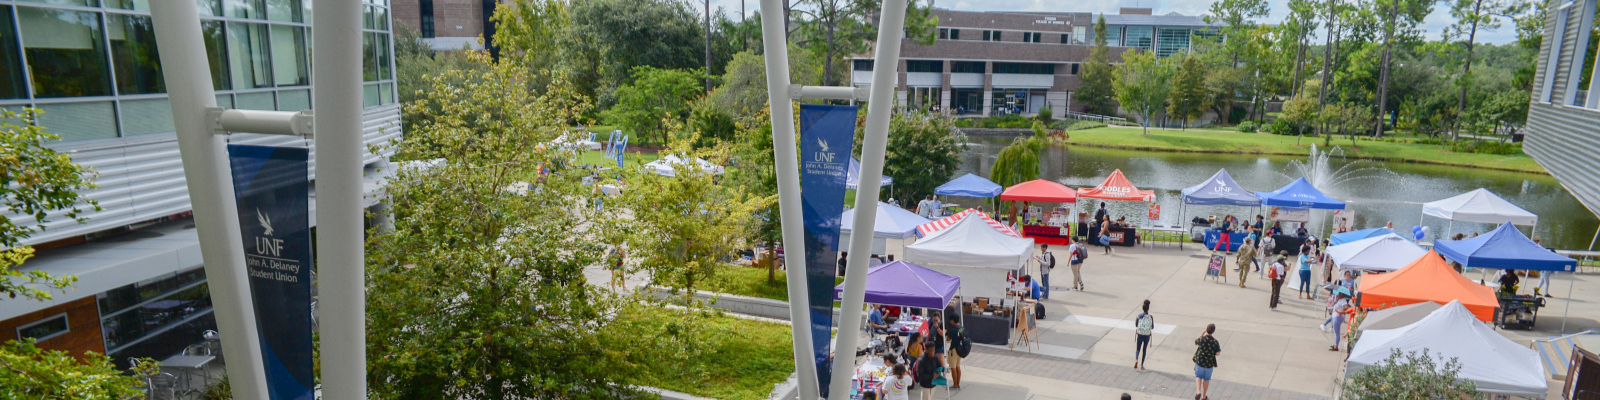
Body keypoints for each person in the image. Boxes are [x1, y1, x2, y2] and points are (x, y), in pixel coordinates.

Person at [1193, 324, 1222, 400]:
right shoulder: (1215, 342)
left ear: (1206, 329)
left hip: (1200, 362)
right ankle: (1204, 396)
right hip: (1209, 364)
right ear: (1213, 331)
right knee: (1206, 379)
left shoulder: (1202, 339)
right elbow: (1218, 353)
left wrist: (1202, 334)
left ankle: (1198, 391)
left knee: (1198, 376)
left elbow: (1196, 342)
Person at [945, 309, 965, 390]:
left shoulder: (953, 330)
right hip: (960, 349)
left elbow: (948, 339)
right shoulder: (962, 328)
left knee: (953, 368)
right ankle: (958, 383)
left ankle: (955, 384)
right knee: (958, 367)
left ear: (953, 321)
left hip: (953, 350)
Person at [1134, 300, 1155, 370]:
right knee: (1144, 349)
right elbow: (1152, 327)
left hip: (1140, 334)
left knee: (1138, 348)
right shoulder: (1151, 317)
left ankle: (1136, 359)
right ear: (1148, 308)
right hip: (1147, 335)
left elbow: (1136, 325)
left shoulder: (1139, 316)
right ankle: (1142, 364)